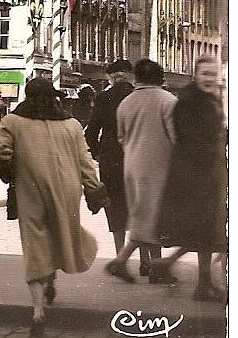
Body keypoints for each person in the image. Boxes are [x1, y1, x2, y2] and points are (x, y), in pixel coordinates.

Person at [0, 77, 104, 337]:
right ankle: (51, 277)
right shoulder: (72, 125)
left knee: (34, 243)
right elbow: (86, 161)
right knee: (59, 235)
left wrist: (10, 171)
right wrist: (93, 189)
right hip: (67, 191)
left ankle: (38, 311)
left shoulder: (12, 122)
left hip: (31, 190)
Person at [151, 57, 227, 302]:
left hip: (207, 174)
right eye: (205, 74)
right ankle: (176, 267)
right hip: (195, 176)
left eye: (213, 74)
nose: (209, 79)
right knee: (205, 230)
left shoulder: (207, 99)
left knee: (207, 231)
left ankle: (201, 283)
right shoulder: (188, 101)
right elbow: (190, 139)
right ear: (195, 74)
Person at [106, 58, 177, 285]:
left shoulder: (125, 103)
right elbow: (176, 137)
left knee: (142, 215)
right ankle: (151, 266)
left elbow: (121, 137)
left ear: (136, 78)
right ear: (160, 77)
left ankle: (133, 262)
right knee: (154, 217)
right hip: (160, 167)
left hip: (132, 166)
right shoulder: (169, 101)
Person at [85, 60, 139, 260]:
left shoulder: (103, 98)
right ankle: (144, 259)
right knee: (138, 208)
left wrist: (98, 154)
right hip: (136, 157)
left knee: (115, 208)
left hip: (111, 160)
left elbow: (91, 132)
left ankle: (119, 256)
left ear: (110, 77)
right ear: (130, 76)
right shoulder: (137, 96)